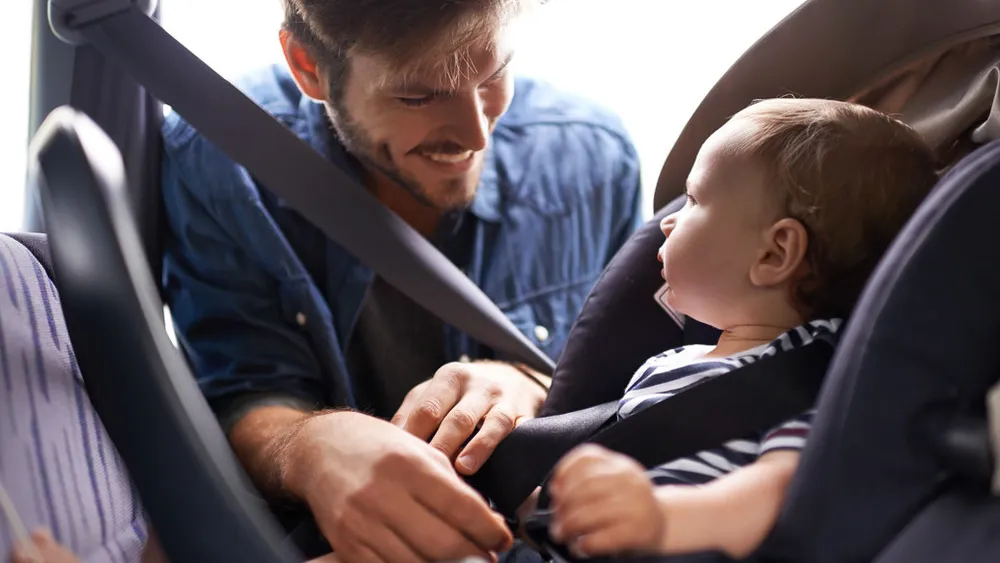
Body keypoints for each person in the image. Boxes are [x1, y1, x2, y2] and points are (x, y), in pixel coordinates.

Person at [159, 0, 643, 561]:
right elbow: (240, 389)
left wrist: (531, 384)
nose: (475, 133)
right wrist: (311, 448)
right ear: (309, 66)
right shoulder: (222, 161)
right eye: (418, 96)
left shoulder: (593, 159)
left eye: (494, 74)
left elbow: (644, 381)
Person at [533, 98, 939, 560]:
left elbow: (781, 489)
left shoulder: (814, 377)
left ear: (774, 253)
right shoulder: (668, 363)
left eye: (693, 200)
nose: (667, 221)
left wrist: (666, 518)